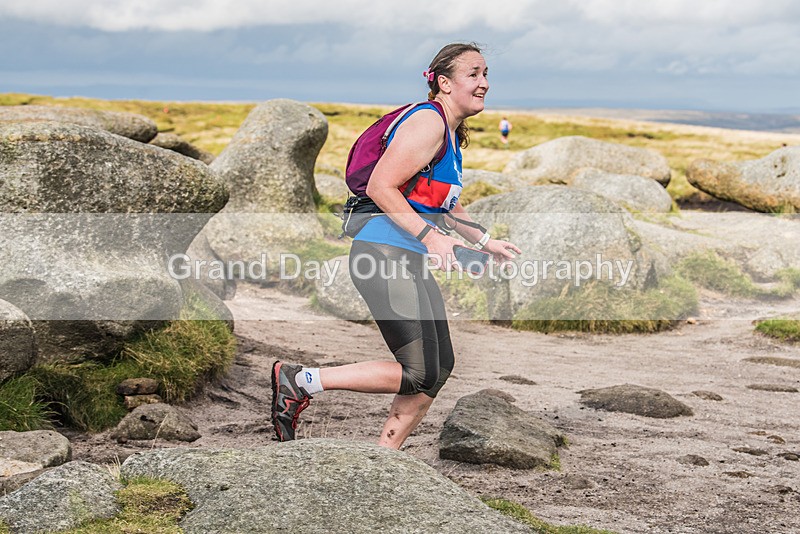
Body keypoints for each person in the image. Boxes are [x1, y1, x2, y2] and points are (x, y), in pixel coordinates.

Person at [272, 42, 521, 449]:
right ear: (443, 82)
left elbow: (444, 207)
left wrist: (486, 241)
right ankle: (300, 380)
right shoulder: (429, 123)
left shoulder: (451, 134)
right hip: (383, 254)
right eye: (473, 74)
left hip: (407, 258)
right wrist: (432, 238)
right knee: (419, 371)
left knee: (439, 367)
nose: (484, 84)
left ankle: (385, 458)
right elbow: (380, 186)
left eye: (486, 74)